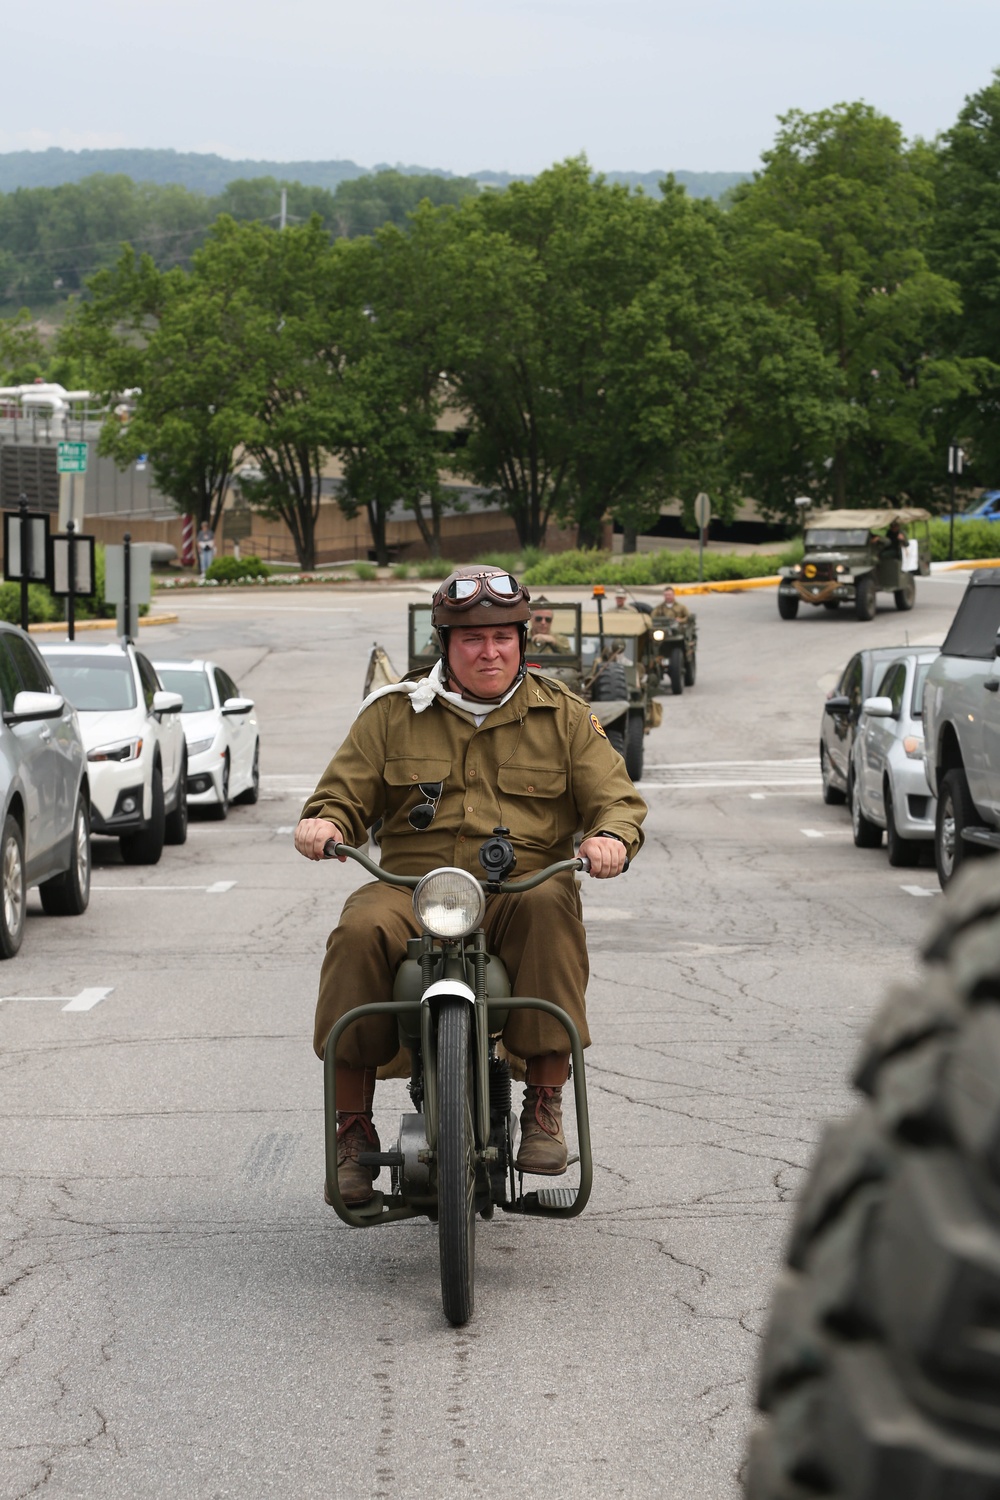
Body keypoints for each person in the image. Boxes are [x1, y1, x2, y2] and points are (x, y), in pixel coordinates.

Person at [295, 566, 647, 1204]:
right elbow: (341, 792)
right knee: (357, 930)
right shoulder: (393, 715)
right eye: (472, 640)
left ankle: (543, 1105)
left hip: (518, 882)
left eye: (502, 638)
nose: (489, 651)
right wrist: (325, 823)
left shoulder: (563, 716)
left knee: (552, 906)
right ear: (445, 646)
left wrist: (611, 839)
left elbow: (616, 799)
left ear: (521, 640)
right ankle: (351, 1128)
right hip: (411, 886)